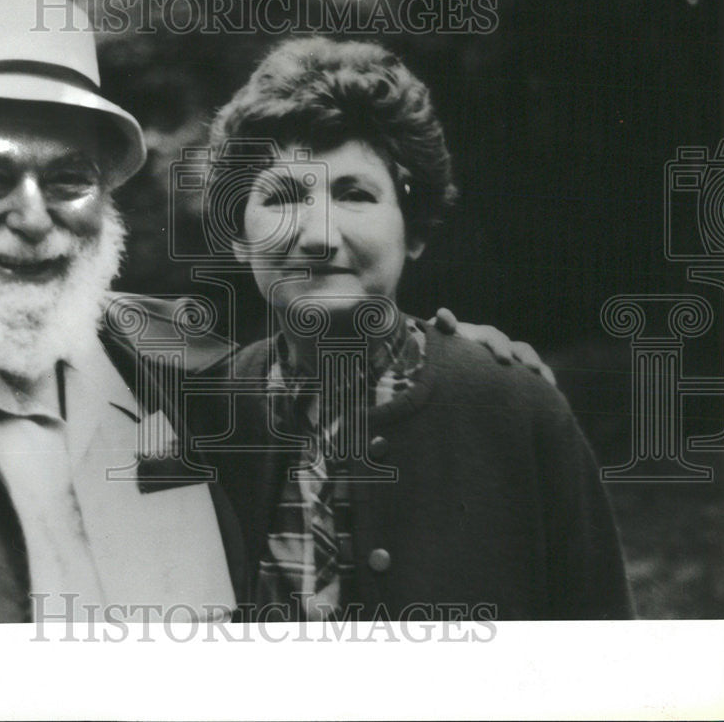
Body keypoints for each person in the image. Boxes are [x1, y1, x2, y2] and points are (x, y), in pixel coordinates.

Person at [0, 0, 547, 624]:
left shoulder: (172, 363)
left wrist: (460, 361)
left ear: (107, 194)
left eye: (71, 178)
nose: (36, 217)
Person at [201, 36, 634, 621]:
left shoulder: (519, 409)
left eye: (355, 193)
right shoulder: (198, 414)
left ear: (416, 230)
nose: (317, 236)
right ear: (238, 236)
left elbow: (603, 652)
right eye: (281, 197)